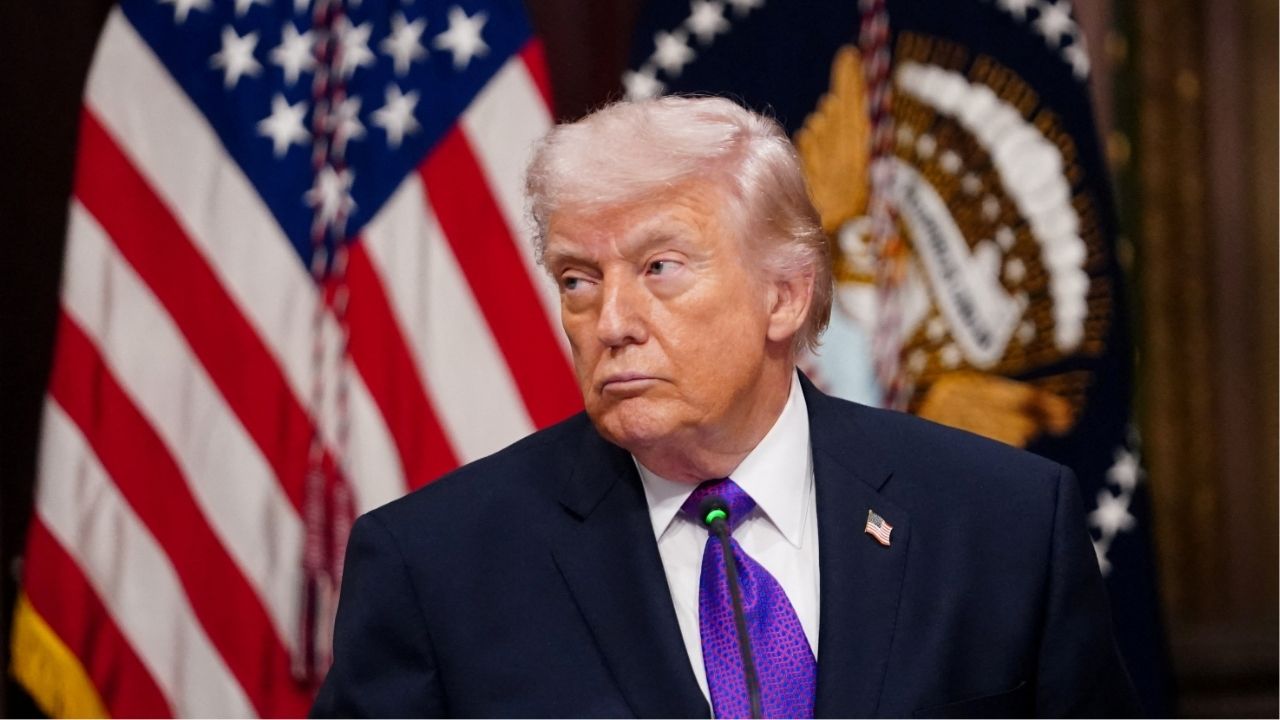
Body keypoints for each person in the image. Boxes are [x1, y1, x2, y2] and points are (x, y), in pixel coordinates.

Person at [312, 96, 1139, 718]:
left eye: (661, 267)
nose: (613, 323)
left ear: (784, 296)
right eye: (577, 279)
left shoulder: (1004, 524)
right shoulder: (438, 566)